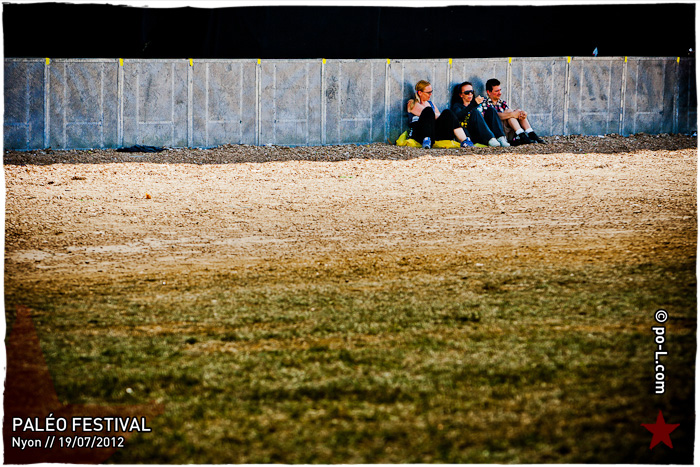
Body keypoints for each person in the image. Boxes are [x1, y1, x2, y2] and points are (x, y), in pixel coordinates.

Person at [407, 80, 474, 149]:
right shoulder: (412, 103)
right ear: (420, 93)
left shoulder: (431, 104)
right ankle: (426, 140)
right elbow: (429, 115)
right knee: (428, 111)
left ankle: (465, 140)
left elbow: (439, 117)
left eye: (431, 92)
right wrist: (439, 116)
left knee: (448, 112)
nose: (430, 94)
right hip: (420, 133)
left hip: (434, 132)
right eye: (428, 92)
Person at [482, 78, 545, 145]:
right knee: (510, 112)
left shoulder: (502, 103)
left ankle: (530, 133)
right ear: (489, 92)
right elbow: (491, 117)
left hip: (508, 131)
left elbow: (512, 116)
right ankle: (522, 134)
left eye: (500, 90)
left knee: (516, 111)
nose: (500, 93)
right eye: (496, 91)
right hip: (498, 133)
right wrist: (512, 114)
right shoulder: (484, 103)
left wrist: (522, 114)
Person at [450, 81, 509, 147]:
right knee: (475, 112)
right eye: (467, 93)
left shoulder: (477, 105)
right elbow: (457, 116)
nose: (470, 94)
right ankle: (490, 139)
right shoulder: (457, 106)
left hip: (481, 132)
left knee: (491, 110)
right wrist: (473, 105)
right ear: (461, 95)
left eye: (472, 92)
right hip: (471, 134)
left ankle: (500, 138)